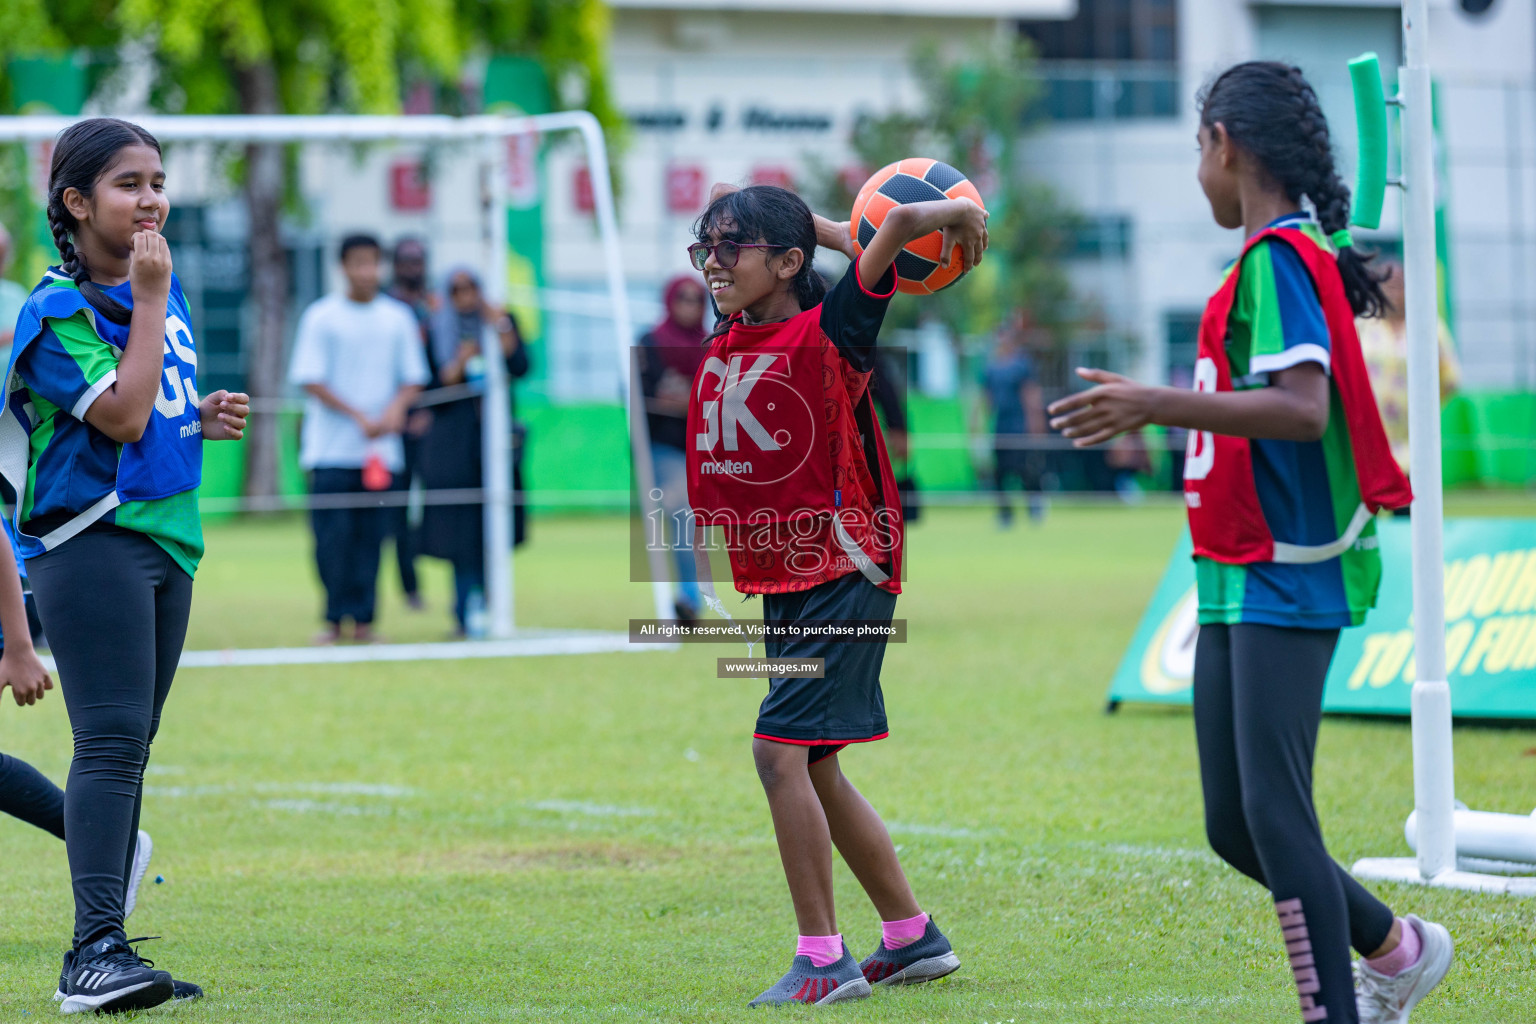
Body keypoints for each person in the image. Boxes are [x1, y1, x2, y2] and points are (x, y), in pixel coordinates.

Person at [1046, 62, 1452, 1024]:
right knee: (1235, 822)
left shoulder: (1279, 260)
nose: (1198, 167)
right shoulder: (1267, 259)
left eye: (1198, 148)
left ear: (1225, 144)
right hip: (1234, 568)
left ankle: (1339, 1011)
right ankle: (1397, 949)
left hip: (1290, 568)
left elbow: (1302, 412)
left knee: (1276, 814)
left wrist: (1151, 402)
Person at [685, 183, 986, 1006]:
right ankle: (910, 936)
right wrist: (756, 224)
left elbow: (893, 229)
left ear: (788, 264)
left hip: (842, 568)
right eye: (704, 247)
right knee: (813, 764)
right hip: (788, 576)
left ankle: (823, 958)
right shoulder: (735, 328)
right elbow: (775, 243)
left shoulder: (833, 330)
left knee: (776, 753)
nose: (712, 263)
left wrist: (949, 216)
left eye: (729, 248)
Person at [1, 117, 247, 1013]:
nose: (151, 200)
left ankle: (109, 945)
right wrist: (150, 301)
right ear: (75, 203)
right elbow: (122, 419)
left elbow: (155, 410)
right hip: (91, 542)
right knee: (106, 743)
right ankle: (91, 953)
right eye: (127, 184)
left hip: (166, 538)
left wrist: (199, 413)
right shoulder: (57, 310)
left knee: (130, 750)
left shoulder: (156, 287)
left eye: (158, 181)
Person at [289, 233, 429, 644]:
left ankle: (365, 620)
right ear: (344, 267)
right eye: (358, 263)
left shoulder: (397, 318)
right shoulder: (321, 316)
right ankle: (334, 619)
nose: (367, 271)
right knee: (331, 541)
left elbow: (413, 379)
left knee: (373, 540)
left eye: (373, 262)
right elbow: (310, 378)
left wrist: (393, 413)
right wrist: (357, 416)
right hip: (330, 452)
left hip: (381, 454)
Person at [418, 266, 528, 638]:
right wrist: (462, 361)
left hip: (495, 442)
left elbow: (521, 366)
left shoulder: (499, 320)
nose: (466, 296)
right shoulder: (436, 328)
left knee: (496, 526)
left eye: (471, 288)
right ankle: (464, 612)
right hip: (453, 448)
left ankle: (495, 606)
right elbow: (433, 390)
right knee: (460, 534)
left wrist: (499, 326)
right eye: (457, 289)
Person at [637, 275, 707, 623]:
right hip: (665, 446)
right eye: (682, 297)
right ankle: (691, 598)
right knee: (682, 515)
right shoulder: (651, 342)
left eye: (698, 299)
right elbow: (639, 400)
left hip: (711, 448)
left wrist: (689, 402)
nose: (690, 305)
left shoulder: (714, 344)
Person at [1357, 258, 1461, 478]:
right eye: (1386, 285)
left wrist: (1424, 406)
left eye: (1398, 286)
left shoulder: (1429, 326)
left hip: (1412, 444)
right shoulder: (1363, 325)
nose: (1392, 292)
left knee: (1410, 507)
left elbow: (1450, 378)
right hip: (1365, 441)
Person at [385, 236, 436, 609]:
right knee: (397, 510)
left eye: (418, 261)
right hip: (392, 425)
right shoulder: (385, 307)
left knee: (439, 505)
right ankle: (410, 587)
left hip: (435, 423)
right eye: (406, 261)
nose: (412, 268)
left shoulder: (434, 306)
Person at [981, 319, 1047, 525]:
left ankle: (1034, 508)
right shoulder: (991, 367)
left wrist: (1036, 425)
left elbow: (1031, 396)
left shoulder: (1021, 364)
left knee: (1025, 469)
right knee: (1000, 472)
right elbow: (986, 399)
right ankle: (1005, 514)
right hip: (1000, 427)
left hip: (1019, 427)